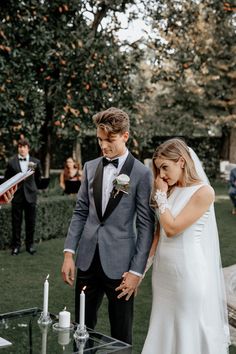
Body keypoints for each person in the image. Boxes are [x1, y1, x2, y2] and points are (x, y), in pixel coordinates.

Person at [61, 107, 155, 345]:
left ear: (125, 136)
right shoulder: (90, 167)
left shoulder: (142, 174)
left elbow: (146, 226)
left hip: (122, 267)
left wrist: (136, 271)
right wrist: (69, 253)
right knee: (82, 328)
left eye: (109, 140)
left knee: (121, 334)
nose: (103, 146)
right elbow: (81, 211)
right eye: (99, 139)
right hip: (87, 259)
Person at [141, 138, 230, 354]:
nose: (161, 175)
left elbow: (172, 229)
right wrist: (142, 271)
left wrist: (160, 194)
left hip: (187, 275)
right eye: (158, 169)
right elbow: (159, 235)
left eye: (165, 167)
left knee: (187, 331)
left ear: (181, 161)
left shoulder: (204, 192)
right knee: (162, 326)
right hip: (163, 276)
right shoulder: (170, 191)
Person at [4, 138, 42, 255]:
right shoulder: (11, 163)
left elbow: (38, 179)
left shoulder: (36, 162)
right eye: (20, 146)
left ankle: (30, 245)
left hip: (31, 196)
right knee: (16, 223)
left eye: (24, 146)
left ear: (28, 148)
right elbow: (8, 180)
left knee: (31, 222)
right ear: (18, 148)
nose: (22, 149)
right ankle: (16, 246)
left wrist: (34, 189)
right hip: (17, 197)